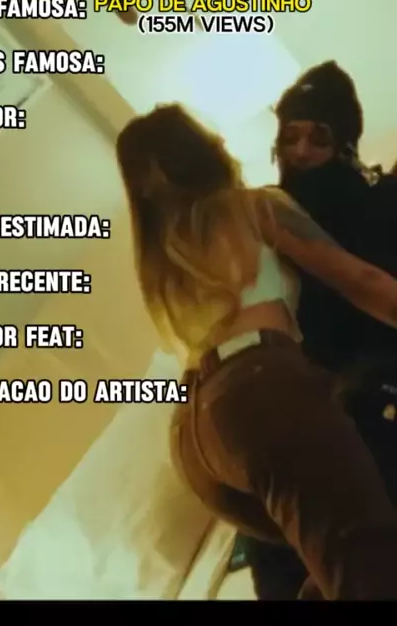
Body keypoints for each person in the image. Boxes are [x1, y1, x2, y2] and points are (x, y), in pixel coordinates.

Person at [116, 102, 397, 601]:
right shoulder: (254, 206)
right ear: (206, 150)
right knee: (371, 568)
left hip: (196, 438)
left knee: (332, 557)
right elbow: (361, 280)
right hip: (259, 393)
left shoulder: (162, 257)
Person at [241, 61, 397, 599]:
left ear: (345, 142)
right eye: (290, 138)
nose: (302, 151)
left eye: (318, 137)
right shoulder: (267, 214)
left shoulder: (379, 199)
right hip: (312, 393)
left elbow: (369, 285)